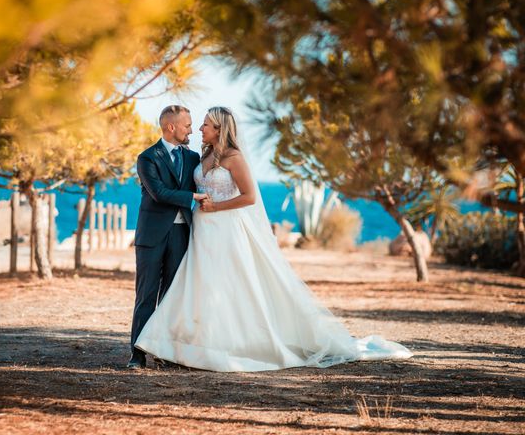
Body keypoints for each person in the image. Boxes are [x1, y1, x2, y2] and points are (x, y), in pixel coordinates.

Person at [134, 106, 412, 371]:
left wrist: (215, 207)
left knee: (224, 286)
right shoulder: (191, 156)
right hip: (200, 231)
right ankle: (160, 350)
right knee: (193, 287)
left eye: (204, 124)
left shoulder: (226, 157)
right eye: (193, 124)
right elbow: (162, 190)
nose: (198, 129)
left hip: (224, 229)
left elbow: (249, 197)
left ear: (220, 129)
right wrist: (197, 201)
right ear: (172, 126)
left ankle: (222, 344)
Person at [128, 105, 207, 369]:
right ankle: (137, 355)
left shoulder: (194, 157)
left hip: (181, 233)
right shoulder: (147, 158)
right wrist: (191, 197)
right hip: (151, 235)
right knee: (146, 296)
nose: (191, 130)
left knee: (172, 297)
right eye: (187, 125)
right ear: (171, 127)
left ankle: (165, 352)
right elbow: (159, 192)